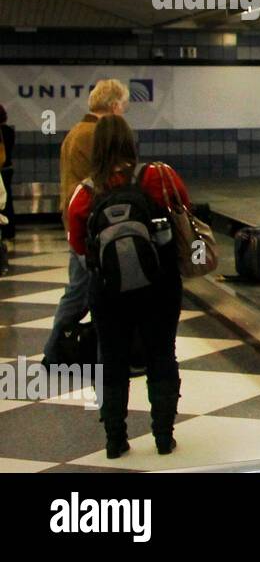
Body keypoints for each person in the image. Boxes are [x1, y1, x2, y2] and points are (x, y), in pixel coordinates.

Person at [65, 115, 188, 459]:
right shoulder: (157, 176)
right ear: (131, 142)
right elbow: (184, 211)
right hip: (160, 285)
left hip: (108, 291)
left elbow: (77, 245)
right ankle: (163, 436)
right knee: (162, 353)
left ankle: (115, 440)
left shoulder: (86, 192)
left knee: (112, 359)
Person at [43, 79, 129, 368]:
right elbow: (106, 177)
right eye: (124, 105)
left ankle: (56, 351)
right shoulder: (95, 134)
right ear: (115, 105)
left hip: (76, 218)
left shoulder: (76, 131)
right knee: (90, 292)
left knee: (79, 290)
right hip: (90, 222)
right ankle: (65, 352)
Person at [0, 103, 15, 245]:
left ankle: (3, 229)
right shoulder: (10, 131)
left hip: (1, 169)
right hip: (9, 168)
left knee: (2, 201)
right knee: (8, 199)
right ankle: (10, 229)